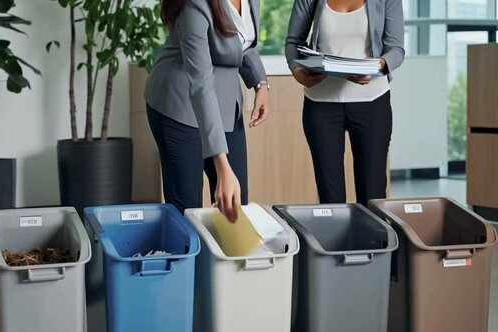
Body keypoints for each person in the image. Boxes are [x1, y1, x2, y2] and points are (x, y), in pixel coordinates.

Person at [145, 0, 269, 221]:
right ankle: (187, 255)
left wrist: (261, 83)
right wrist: (221, 165)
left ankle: (222, 257)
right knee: (187, 210)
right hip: (180, 106)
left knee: (235, 208)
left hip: (225, 106)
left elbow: (243, 43)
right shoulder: (194, 4)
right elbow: (201, 84)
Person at [285, 0, 404, 204]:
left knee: (373, 193)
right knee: (330, 196)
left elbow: (396, 49)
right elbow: (293, 42)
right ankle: (336, 237)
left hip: (372, 102)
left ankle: (372, 237)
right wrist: (297, 71)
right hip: (321, 103)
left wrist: (378, 66)